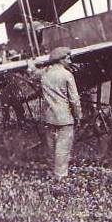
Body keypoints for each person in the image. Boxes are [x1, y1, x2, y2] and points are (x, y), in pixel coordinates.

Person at [29, 46, 82, 180]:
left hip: (49, 117)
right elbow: (74, 99)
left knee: (51, 147)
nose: (70, 61)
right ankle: (60, 177)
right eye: (67, 58)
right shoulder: (67, 75)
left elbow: (32, 72)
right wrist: (78, 116)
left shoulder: (45, 73)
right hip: (65, 118)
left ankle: (51, 173)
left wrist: (30, 63)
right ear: (60, 60)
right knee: (63, 148)